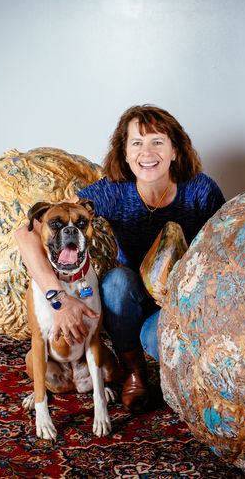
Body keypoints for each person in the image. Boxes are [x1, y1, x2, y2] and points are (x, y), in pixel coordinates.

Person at [15, 104, 225, 412]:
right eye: (136, 143)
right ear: (125, 154)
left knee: (155, 339)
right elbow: (26, 234)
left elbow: (225, 249)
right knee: (113, 282)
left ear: (175, 151)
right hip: (130, 295)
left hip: (179, 297)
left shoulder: (201, 189)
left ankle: (179, 377)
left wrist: (188, 294)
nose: (147, 152)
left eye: (157, 141)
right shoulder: (114, 191)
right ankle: (134, 373)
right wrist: (56, 296)